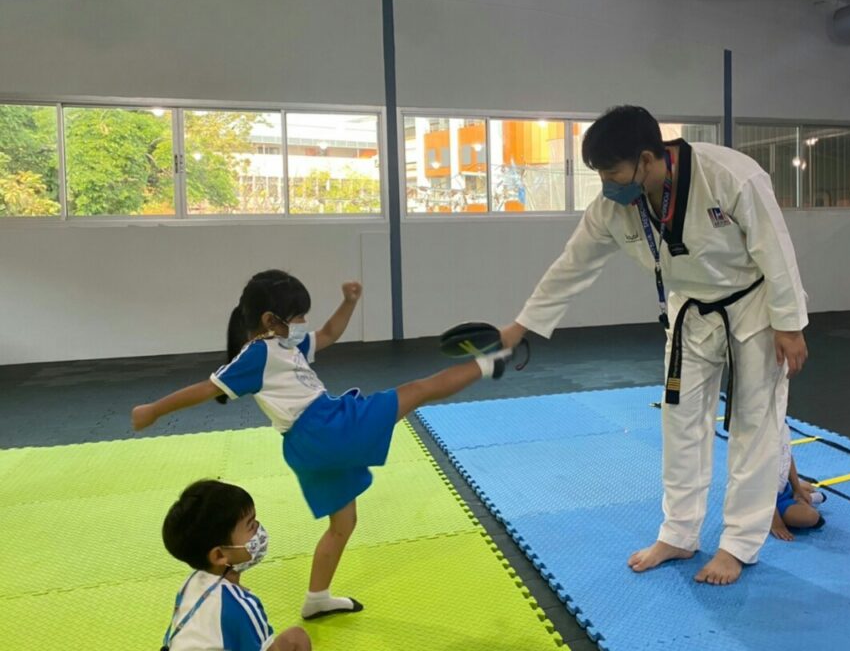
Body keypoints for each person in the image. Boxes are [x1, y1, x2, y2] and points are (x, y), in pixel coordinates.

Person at [499, 105, 808, 585]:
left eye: (611, 172)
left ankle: (738, 545)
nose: (606, 184)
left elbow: (776, 247)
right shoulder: (613, 207)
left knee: (754, 424)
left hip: (753, 307)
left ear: (646, 159)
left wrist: (789, 324)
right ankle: (679, 533)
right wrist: (519, 327)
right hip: (689, 314)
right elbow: (572, 266)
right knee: (679, 424)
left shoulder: (729, 175)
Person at [133, 269, 511, 619]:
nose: (303, 322)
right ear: (270, 320)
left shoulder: (285, 344)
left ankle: (317, 598)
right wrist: (154, 410)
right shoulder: (259, 353)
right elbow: (207, 388)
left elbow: (329, 333)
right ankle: (489, 363)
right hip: (326, 428)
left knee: (342, 524)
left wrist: (349, 302)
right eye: (298, 315)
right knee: (418, 390)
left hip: (307, 448)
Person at [161, 479, 311, 651]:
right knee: (298, 640)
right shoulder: (240, 606)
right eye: (251, 526)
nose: (259, 530)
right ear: (219, 555)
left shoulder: (189, 584)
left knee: (294, 638)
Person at [770, 423, 825, 541]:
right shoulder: (760, 434)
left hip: (781, 491)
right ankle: (805, 500)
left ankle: (802, 495)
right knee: (811, 517)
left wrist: (797, 489)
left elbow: (787, 456)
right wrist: (775, 522)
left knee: (808, 487)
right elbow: (759, 486)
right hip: (762, 499)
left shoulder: (782, 424)